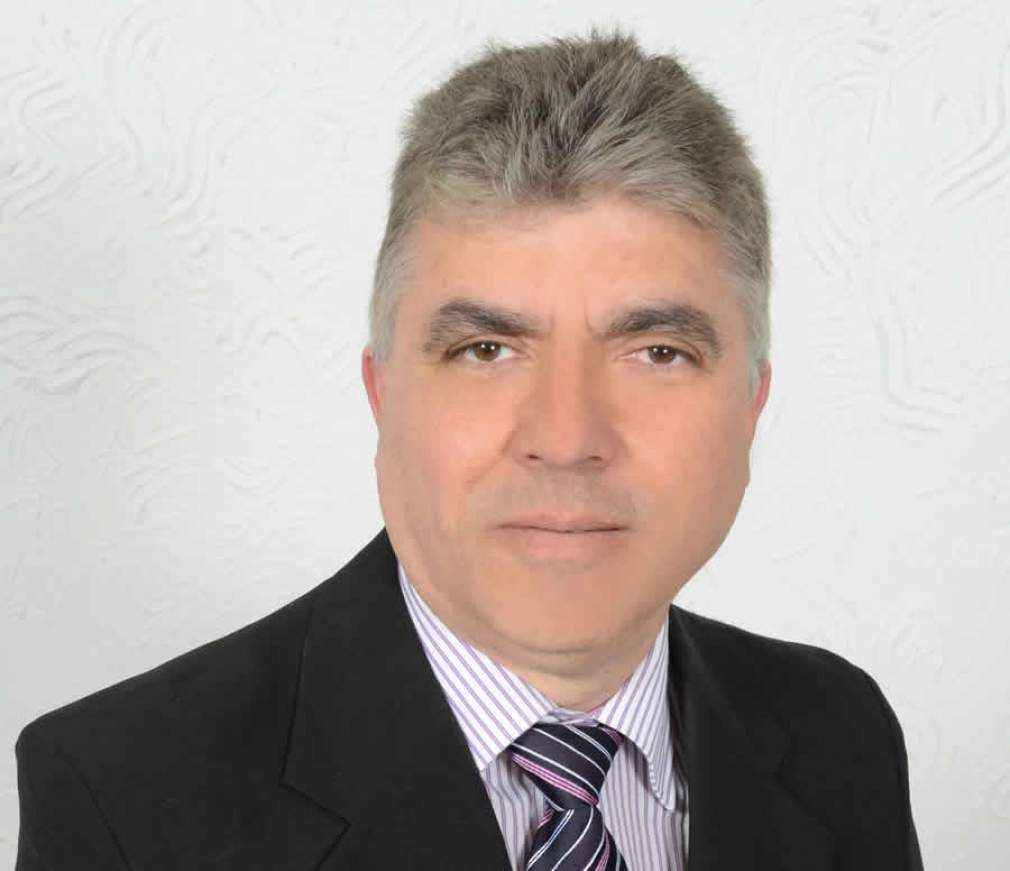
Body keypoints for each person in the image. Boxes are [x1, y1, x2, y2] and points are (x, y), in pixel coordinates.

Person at [14, 28, 923, 871]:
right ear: (382, 394)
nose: (566, 439)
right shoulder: (122, 802)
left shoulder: (841, 734)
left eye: (657, 352)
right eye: (486, 350)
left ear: (752, 404)